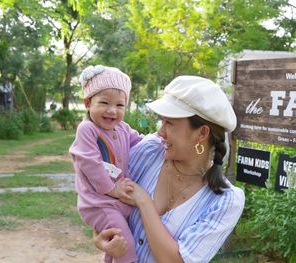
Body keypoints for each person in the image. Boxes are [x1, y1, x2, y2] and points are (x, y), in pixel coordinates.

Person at [93, 75, 245, 262]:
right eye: (162, 121)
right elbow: (104, 197)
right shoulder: (149, 152)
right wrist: (101, 235)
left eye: (170, 123)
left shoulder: (225, 201)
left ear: (202, 133)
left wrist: (143, 201)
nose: (160, 132)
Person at [69, 65, 142, 263]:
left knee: (114, 246)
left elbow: (140, 142)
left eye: (120, 105)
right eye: (104, 103)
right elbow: (89, 163)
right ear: (87, 103)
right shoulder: (88, 129)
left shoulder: (123, 128)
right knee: (124, 242)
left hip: (116, 202)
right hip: (98, 203)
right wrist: (113, 189)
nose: (112, 110)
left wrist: (160, 139)